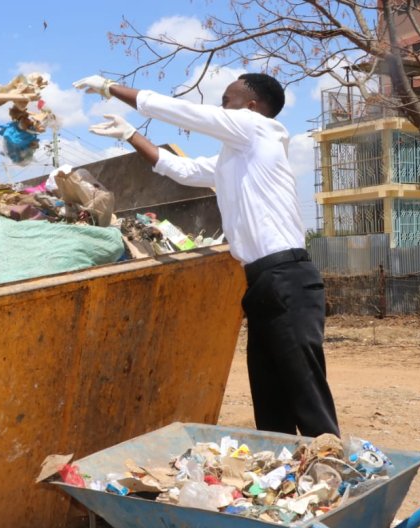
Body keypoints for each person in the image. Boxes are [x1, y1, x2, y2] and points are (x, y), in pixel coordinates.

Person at [73, 73, 340, 438]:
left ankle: (332, 467)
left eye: (227, 100)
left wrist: (111, 89)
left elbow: (185, 113)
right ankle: (289, 477)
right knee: (269, 394)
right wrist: (129, 135)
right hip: (262, 281)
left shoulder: (258, 129)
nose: (221, 107)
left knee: (304, 389)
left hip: (287, 276)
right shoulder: (235, 157)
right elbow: (180, 170)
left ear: (252, 105)